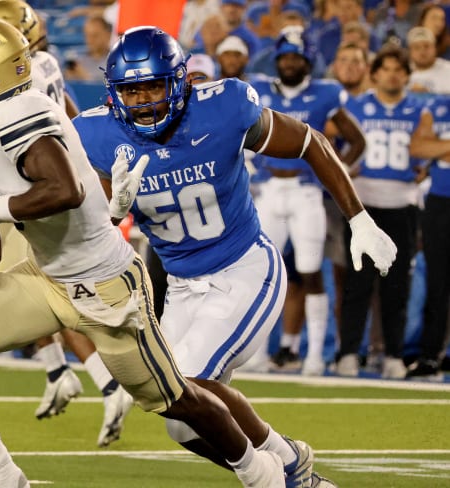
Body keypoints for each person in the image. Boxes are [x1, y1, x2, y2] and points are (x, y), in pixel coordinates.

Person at [0, 17, 319, 488]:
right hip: (45, 274)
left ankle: (264, 473)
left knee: (178, 399)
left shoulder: (15, 114)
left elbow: (63, 189)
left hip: (103, 286)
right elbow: (8, 231)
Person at [73, 25, 397, 487]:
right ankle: (290, 462)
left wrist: (359, 219)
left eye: (152, 86)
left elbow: (309, 142)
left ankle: (267, 476)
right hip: (182, 288)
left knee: (187, 384)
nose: (142, 101)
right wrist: (111, 209)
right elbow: (86, 229)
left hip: (243, 269)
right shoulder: (94, 135)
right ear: (113, 93)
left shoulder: (223, 108)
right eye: (130, 89)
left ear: (182, 82)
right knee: (180, 419)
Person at [0, 0, 133, 447]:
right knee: (36, 292)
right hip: (27, 188)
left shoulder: (28, 72)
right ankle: (58, 371)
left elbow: (25, 126)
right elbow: (64, 111)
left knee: (47, 294)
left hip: (28, 193)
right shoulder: (46, 65)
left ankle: (101, 380)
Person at [247, 27, 366, 376]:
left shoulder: (325, 94)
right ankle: (258, 354)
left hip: (306, 192)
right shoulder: (260, 90)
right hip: (268, 191)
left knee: (312, 272)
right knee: (263, 273)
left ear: (307, 60)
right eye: (284, 57)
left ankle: (314, 355)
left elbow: (356, 140)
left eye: (296, 57)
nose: (289, 63)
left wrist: (337, 172)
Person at [338, 46, 427, 379]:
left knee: (397, 287)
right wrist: (344, 165)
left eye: (398, 69)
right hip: (364, 207)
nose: (392, 74)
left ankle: (393, 354)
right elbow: (327, 139)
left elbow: (427, 144)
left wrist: (426, 168)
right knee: (357, 284)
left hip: (403, 205)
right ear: (374, 73)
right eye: (386, 68)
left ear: (406, 74)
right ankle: (348, 353)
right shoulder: (355, 106)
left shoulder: (420, 110)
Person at [406, 95, 450, 380]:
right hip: (441, 201)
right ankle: (430, 355)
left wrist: (439, 149)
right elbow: (418, 147)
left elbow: (429, 148)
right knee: (438, 282)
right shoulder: (438, 106)